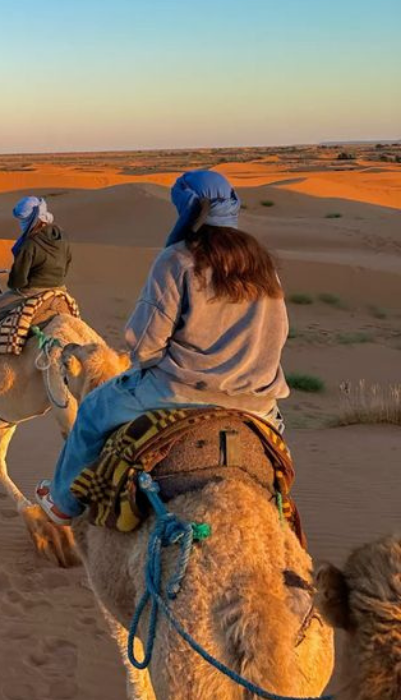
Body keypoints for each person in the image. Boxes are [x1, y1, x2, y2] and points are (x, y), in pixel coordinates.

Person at [35, 170, 289, 525]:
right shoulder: (264, 265)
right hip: (258, 401)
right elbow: (278, 333)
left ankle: (62, 502)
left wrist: (151, 363)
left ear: (186, 208)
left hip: (176, 391)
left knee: (92, 411)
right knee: (277, 463)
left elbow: (142, 342)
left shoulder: (178, 259)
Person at [0, 196, 72, 382]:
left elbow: (17, 281)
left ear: (32, 218)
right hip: (60, 288)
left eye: (23, 220)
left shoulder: (29, 244)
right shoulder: (61, 235)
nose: (22, 224)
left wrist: (18, 279)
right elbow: (67, 262)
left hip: (32, 290)